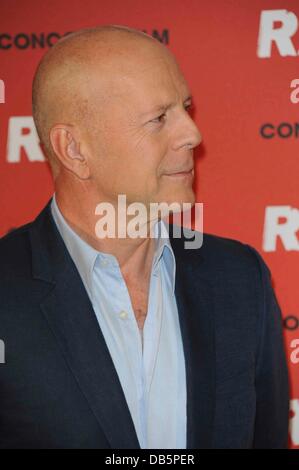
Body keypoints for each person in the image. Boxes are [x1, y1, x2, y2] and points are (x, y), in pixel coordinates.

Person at [0, 25, 289, 449]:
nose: (193, 133)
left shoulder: (240, 280)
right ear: (74, 149)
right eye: (159, 118)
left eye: (185, 108)